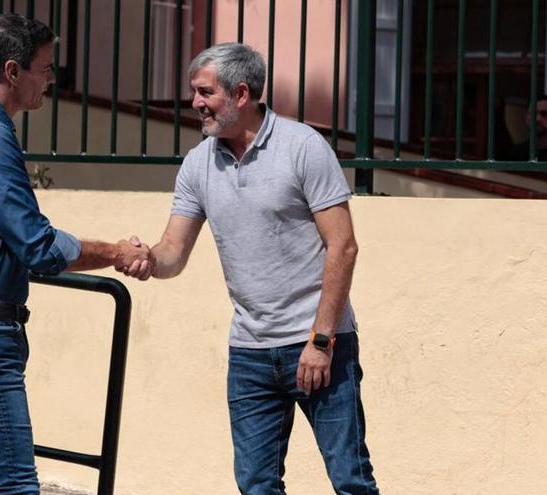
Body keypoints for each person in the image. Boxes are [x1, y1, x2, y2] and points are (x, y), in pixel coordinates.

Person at [127, 43, 379, 494]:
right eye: (194, 92)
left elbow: (343, 247)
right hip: (250, 353)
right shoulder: (197, 164)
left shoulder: (302, 147)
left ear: (241, 94)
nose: (195, 103)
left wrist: (321, 341)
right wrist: (147, 259)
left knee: (350, 480)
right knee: (256, 486)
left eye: (205, 92)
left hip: (320, 343)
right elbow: (172, 252)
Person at [0, 14, 151, 495]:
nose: (51, 79)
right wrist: (114, 252)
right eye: (45, 68)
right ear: (11, 71)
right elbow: (37, 245)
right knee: (15, 485)